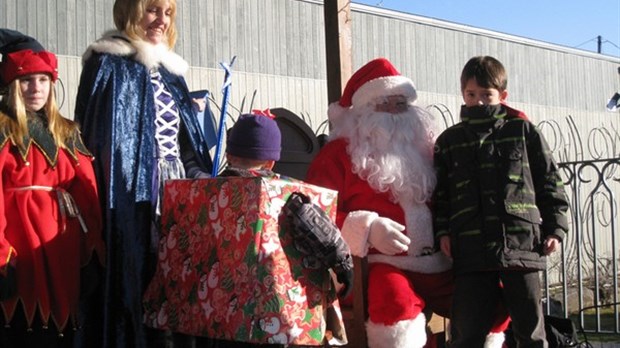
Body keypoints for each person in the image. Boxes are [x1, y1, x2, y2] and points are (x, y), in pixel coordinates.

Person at [305, 57, 509, 348]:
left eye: (401, 104)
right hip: (377, 265)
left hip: (438, 262)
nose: (394, 113)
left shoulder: (428, 148)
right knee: (395, 304)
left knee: (493, 298)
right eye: (383, 104)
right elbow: (314, 216)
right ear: (361, 112)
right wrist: (367, 228)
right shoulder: (338, 154)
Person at [73, 0, 213, 347]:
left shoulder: (172, 73)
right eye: (152, 9)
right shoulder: (107, 64)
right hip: (128, 194)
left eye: (168, 13)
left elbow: (186, 145)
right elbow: (93, 142)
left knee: (177, 285)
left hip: (174, 196)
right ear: (131, 11)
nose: (161, 20)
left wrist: (199, 178)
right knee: (134, 280)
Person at [432, 55, 570, 347]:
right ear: (462, 93)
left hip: (522, 247)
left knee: (530, 332)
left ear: (502, 95)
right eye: (472, 94)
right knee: (466, 332)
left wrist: (556, 229)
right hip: (470, 249)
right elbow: (440, 193)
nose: (479, 102)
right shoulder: (449, 141)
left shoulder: (522, 131)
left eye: (486, 94)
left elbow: (549, 181)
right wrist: (442, 231)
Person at [0, 29, 105, 348]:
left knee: (59, 331)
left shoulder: (68, 131)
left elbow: (88, 193)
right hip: (19, 243)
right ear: (12, 86)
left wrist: (94, 248)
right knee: (18, 326)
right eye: (27, 80)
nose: (36, 88)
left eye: (43, 80)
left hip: (62, 246)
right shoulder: (3, 128)